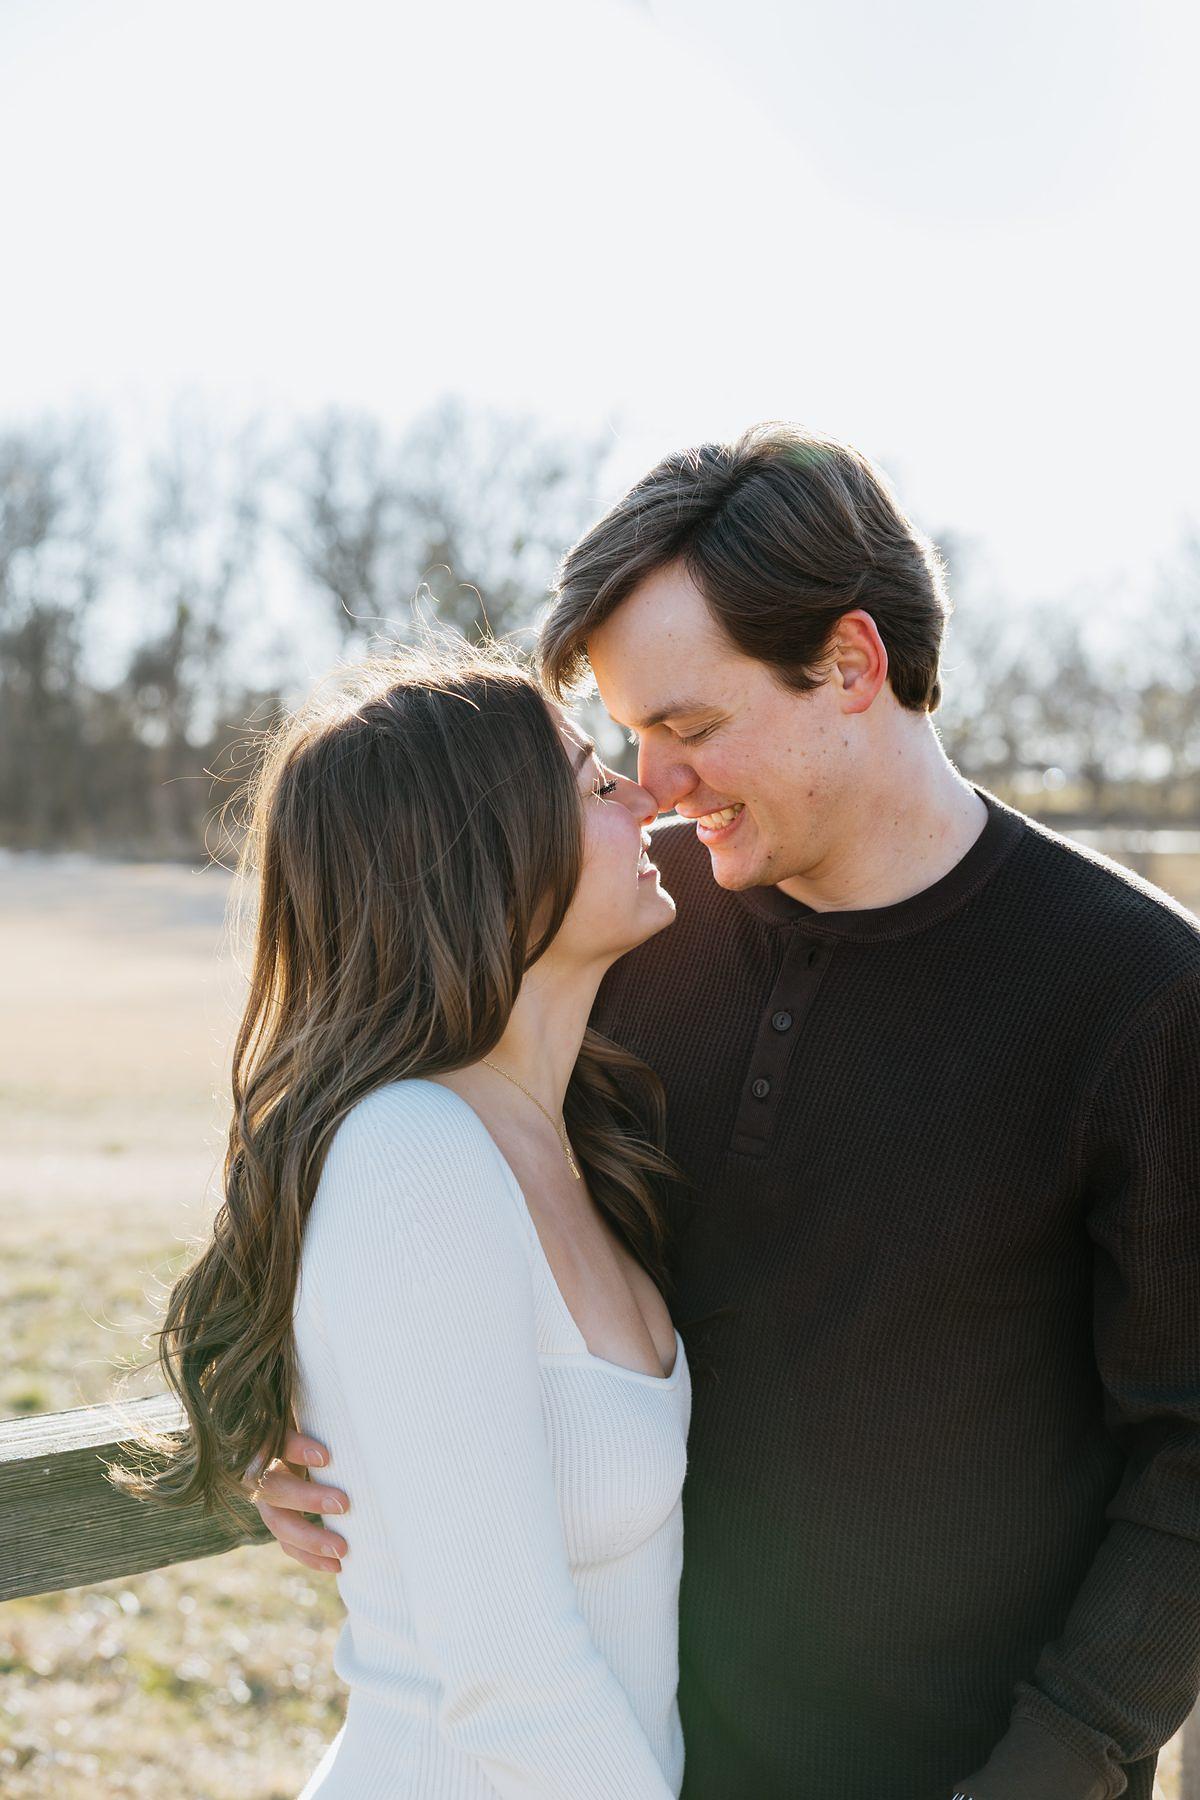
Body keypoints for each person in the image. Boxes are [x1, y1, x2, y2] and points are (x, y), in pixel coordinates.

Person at [254, 425, 1200, 1800]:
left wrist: (1053, 1773)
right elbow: (373, 1151)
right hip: (613, 1761)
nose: (656, 783)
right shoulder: (614, 926)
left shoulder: (1141, 997)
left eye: (689, 727)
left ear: (854, 669)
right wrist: (287, 1407)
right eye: (629, 737)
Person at [115, 640, 692, 1797]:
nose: (644, 793)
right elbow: (507, 1676)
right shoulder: (413, 1158)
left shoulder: (567, 1141)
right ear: (487, 863)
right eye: (590, 782)